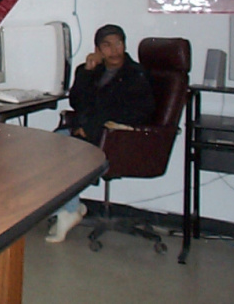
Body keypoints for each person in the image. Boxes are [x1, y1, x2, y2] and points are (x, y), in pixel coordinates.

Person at [46, 23, 156, 243]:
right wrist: (86, 73)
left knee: (67, 149)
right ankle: (70, 208)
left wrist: (91, 127)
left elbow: (135, 112)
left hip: (117, 138)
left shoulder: (136, 74)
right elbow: (78, 103)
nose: (114, 50)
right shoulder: (89, 70)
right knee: (52, 145)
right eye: (107, 45)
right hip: (88, 131)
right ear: (97, 49)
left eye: (118, 43)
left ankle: (69, 211)